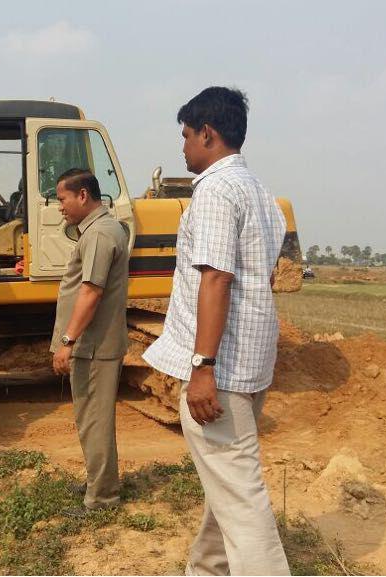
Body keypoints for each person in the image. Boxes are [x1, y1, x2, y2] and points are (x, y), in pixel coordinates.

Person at [142, 87, 291, 575]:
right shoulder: (260, 193)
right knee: (226, 486)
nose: (183, 147)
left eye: (186, 135)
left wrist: (203, 367)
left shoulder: (213, 191)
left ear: (207, 133)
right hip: (252, 362)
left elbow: (217, 278)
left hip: (221, 370)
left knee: (242, 500)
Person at [49, 168, 130, 511]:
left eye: (62, 199)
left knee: (94, 422)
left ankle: (102, 498)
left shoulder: (98, 234)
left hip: (93, 346)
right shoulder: (101, 229)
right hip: (94, 344)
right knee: (92, 421)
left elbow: (92, 291)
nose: (60, 207)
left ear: (83, 195)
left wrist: (67, 340)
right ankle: (99, 484)